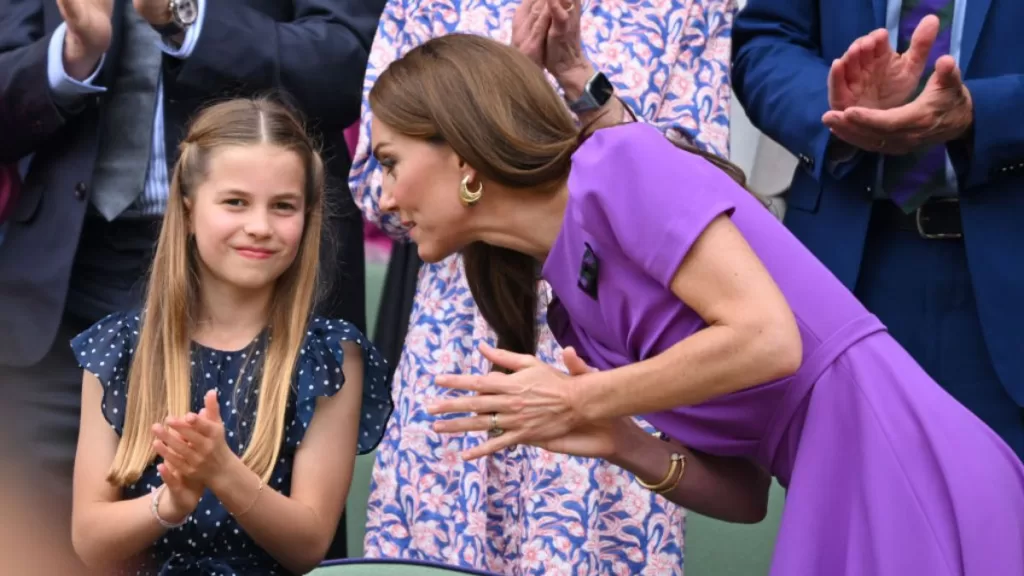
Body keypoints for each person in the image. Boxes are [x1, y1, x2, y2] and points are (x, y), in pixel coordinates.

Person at [368, 34, 1024, 575]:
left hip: (905, 469)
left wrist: (582, 399)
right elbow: (745, 496)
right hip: (831, 496)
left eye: (391, 161)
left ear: (461, 158)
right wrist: (621, 441)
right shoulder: (573, 303)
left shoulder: (619, 164)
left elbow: (770, 339)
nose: (386, 196)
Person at [350, 0, 734, 571]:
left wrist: (557, 94)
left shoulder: (691, 6)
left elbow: (692, 180)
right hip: (460, 332)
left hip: (608, 340)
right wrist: (494, 99)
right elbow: (377, 192)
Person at [0, 0, 384, 509]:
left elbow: (352, 64)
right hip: (61, 300)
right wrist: (71, 58)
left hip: (262, 288)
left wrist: (186, 18)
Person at [68, 98, 392, 574]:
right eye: (235, 202)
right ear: (188, 205)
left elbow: (309, 544)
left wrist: (223, 472)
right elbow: (90, 539)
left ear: (309, 216)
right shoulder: (120, 348)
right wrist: (170, 504)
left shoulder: (329, 355)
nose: (259, 227)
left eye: (283, 206)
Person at [730, 0, 1024, 459]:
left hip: (1007, 273)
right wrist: (838, 114)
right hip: (847, 275)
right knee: (853, 521)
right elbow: (767, 40)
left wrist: (980, 115)